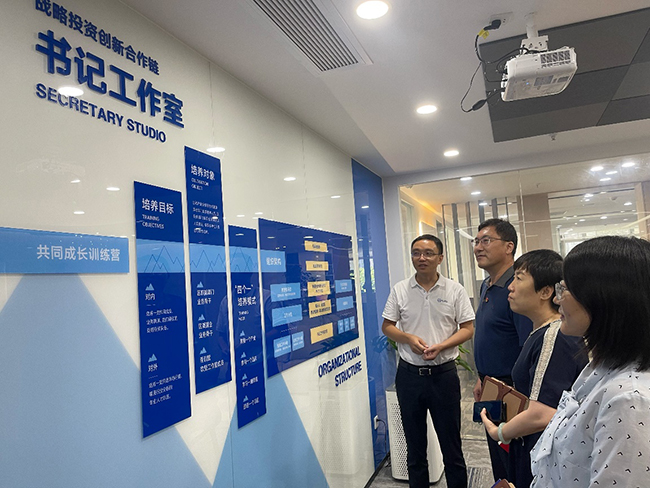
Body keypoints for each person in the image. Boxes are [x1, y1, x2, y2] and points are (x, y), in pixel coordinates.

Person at [529, 236, 650, 487]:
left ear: (604, 298)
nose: (557, 299)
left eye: (565, 289)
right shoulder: (604, 365)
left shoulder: (628, 400)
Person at [480, 249, 588, 488]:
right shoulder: (540, 332)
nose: (510, 287)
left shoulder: (554, 336)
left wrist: (499, 432)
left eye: (518, 278)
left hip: (545, 454)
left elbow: (543, 413)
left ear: (546, 292)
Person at [382, 234, 475, 488]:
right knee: (415, 448)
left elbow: (467, 328)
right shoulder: (400, 290)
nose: (421, 258)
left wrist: (443, 345)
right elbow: (387, 326)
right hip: (409, 377)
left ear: (440, 258)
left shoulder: (454, 290)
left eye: (428, 253)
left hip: (443, 376)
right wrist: (408, 338)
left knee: (451, 447)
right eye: (416, 253)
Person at [472, 218, 533, 481]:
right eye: (476, 241)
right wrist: (481, 377)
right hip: (491, 385)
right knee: (498, 457)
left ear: (509, 246)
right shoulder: (487, 284)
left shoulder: (516, 289)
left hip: (513, 391)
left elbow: (527, 347)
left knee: (515, 461)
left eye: (486, 240)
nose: (478, 247)